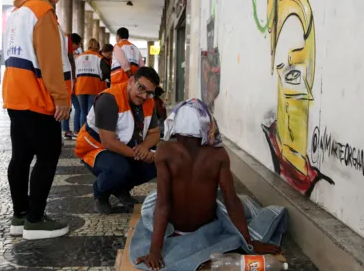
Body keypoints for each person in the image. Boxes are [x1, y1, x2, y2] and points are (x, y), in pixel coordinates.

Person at [135, 99, 281, 269]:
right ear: (205, 126)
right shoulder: (218, 154)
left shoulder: (164, 151)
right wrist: (248, 242)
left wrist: (155, 251)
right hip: (205, 224)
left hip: (175, 225)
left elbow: (163, 204)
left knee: (154, 197)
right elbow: (231, 201)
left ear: (175, 126)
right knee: (238, 200)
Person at [2, 0, 71, 240]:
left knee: (21, 156)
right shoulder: (42, 13)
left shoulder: (18, 12)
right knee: (47, 155)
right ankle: (35, 220)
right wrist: (62, 99)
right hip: (37, 97)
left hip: (14, 95)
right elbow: (50, 62)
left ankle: (19, 216)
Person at [75, 67, 161, 214]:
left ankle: (121, 189)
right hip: (95, 148)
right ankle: (100, 194)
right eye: (141, 88)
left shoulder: (148, 102)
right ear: (131, 81)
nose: (144, 96)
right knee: (119, 168)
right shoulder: (109, 99)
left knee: (157, 163)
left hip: (126, 147)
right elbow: (108, 142)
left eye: (149, 92)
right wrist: (140, 154)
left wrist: (144, 147)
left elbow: (155, 133)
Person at [75, 38, 107, 128]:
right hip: (94, 86)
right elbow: (105, 72)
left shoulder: (79, 57)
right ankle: (88, 133)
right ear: (98, 47)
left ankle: (81, 132)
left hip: (80, 86)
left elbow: (74, 72)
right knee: (90, 112)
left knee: (83, 111)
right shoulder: (99, 58)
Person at [62, 33, 82, 139]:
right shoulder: (71, 54)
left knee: (70, 107)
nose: (78, 47)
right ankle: (70, 130)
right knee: (73, 107)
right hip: (70, 83)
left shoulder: (75, 54)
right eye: (78, 44)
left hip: (71, 83)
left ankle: (66, 130)